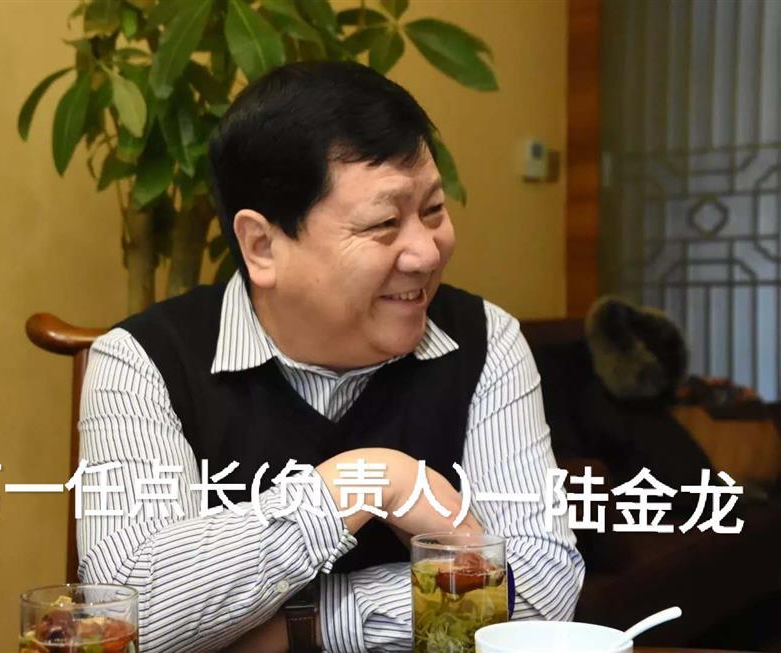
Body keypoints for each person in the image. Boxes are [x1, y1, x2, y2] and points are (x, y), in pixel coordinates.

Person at [76, 60, 584, 652]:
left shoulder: (486, 340)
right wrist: (372, 481)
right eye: (385, 223)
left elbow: (542, 585)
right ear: (262, 246)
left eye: (434, 211)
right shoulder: (141, 362)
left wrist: (297, 628)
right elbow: (129, 616)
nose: (426, 253)